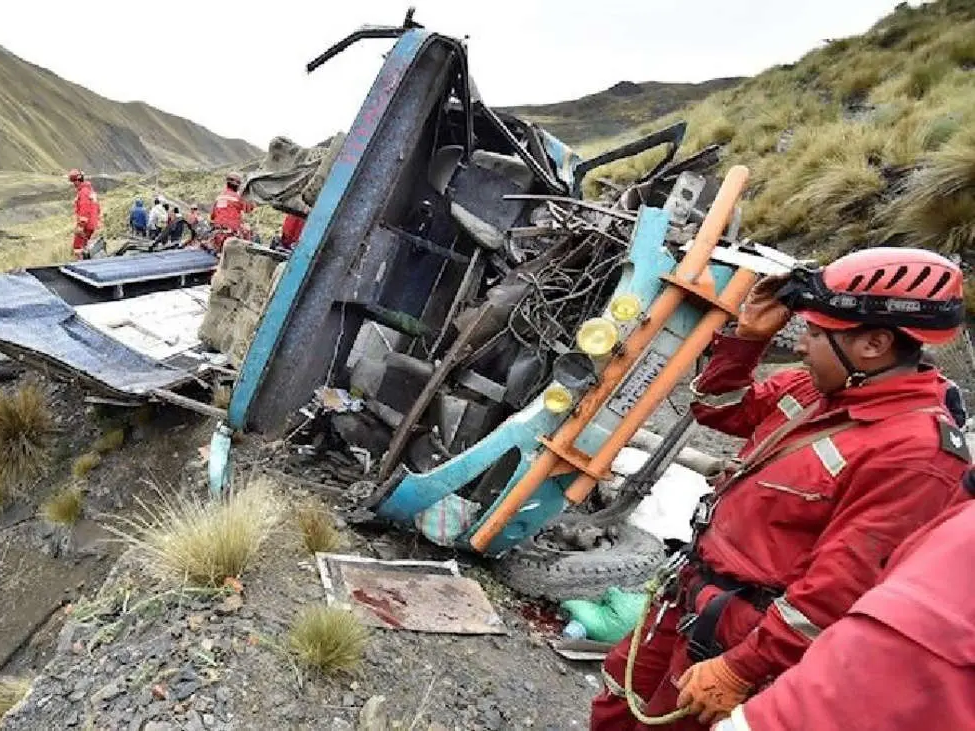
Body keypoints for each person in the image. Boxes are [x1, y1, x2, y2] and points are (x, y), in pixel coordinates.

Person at [591, 247, 971, 731]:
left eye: (815, 333)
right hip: (689, 599)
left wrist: (740, 668)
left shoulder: (917, 455)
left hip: (735, 636)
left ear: (873, 344)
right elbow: (717, 407)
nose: (801, 346)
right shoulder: (822, 389)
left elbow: (833, 595)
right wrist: (747, 340)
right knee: (618, 703)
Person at [714, 474, 974, 731]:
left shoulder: (920, 462)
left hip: (756, 637)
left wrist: (743, 667)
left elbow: (844, 589)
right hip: (728, 612)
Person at [209, 172, 254, 251]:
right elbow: (249, 209)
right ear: (238, 186)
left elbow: (212, 216)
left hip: (217, 233)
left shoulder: (219, 197)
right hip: (232, 234)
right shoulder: (238, 198)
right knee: (247, 231)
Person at [68, 169, 101, 258]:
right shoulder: (90, 191)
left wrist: (80, 226)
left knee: (78, 247)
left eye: (73, 181)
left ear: (77, 181)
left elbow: (84, 210)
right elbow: (97, 208)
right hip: (91, 224)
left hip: (86, 225)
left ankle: (80, 265)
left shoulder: (83, 192)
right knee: (85, 247)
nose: (73, 184)